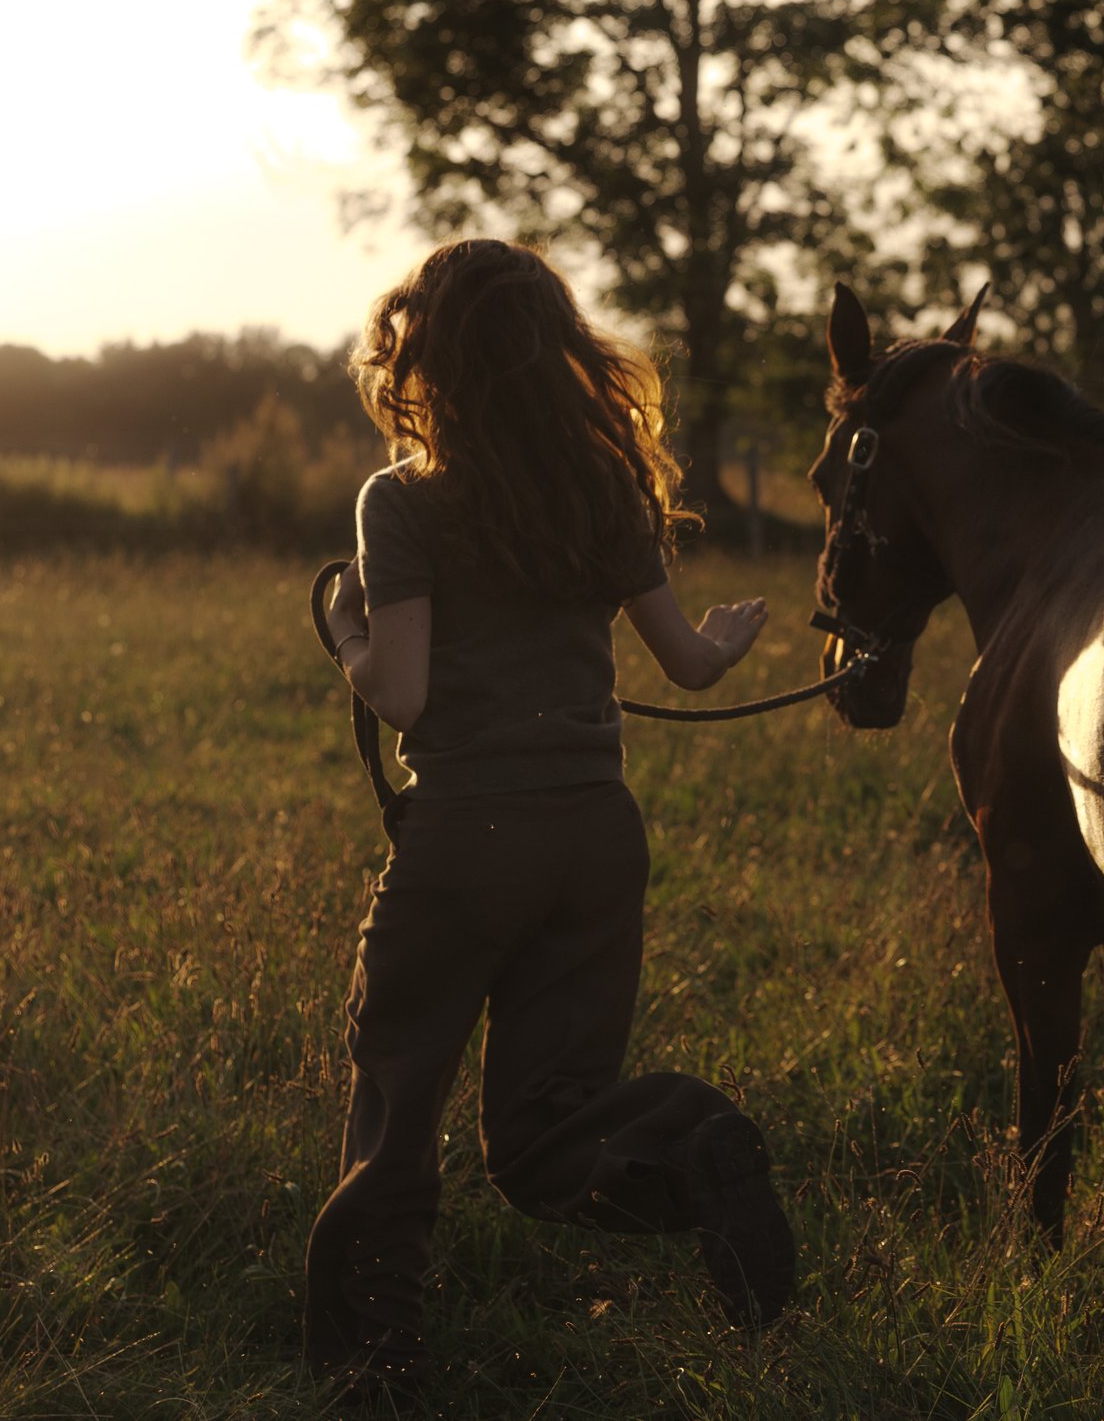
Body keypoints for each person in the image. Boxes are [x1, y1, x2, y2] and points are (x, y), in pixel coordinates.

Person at [304, 237, 794, 1398]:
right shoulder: (604, 488)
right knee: (541, 1132)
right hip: (595, 836)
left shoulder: (402, 500)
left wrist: (346, 634)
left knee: (399, 1089)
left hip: (468, 838)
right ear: (557, 351)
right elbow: (685, 665)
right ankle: (690, 1146)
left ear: (425, 353)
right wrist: (725, 640)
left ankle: (367, 1365)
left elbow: (404, 692)